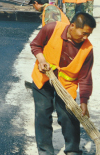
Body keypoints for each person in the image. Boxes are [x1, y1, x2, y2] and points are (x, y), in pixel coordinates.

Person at [30, 12, 96, 155]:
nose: (85, 37)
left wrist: (84, 101)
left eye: (88, 35)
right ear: (72, 26)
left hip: (66, 86)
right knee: (42, 116)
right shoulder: (52, 28)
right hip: (43, 79)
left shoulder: (88, 49)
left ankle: (72, 151)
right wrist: (41, 60)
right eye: (84, 33)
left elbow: (85, 77)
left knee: (69, 117)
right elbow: (36, 45)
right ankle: (45, 152)